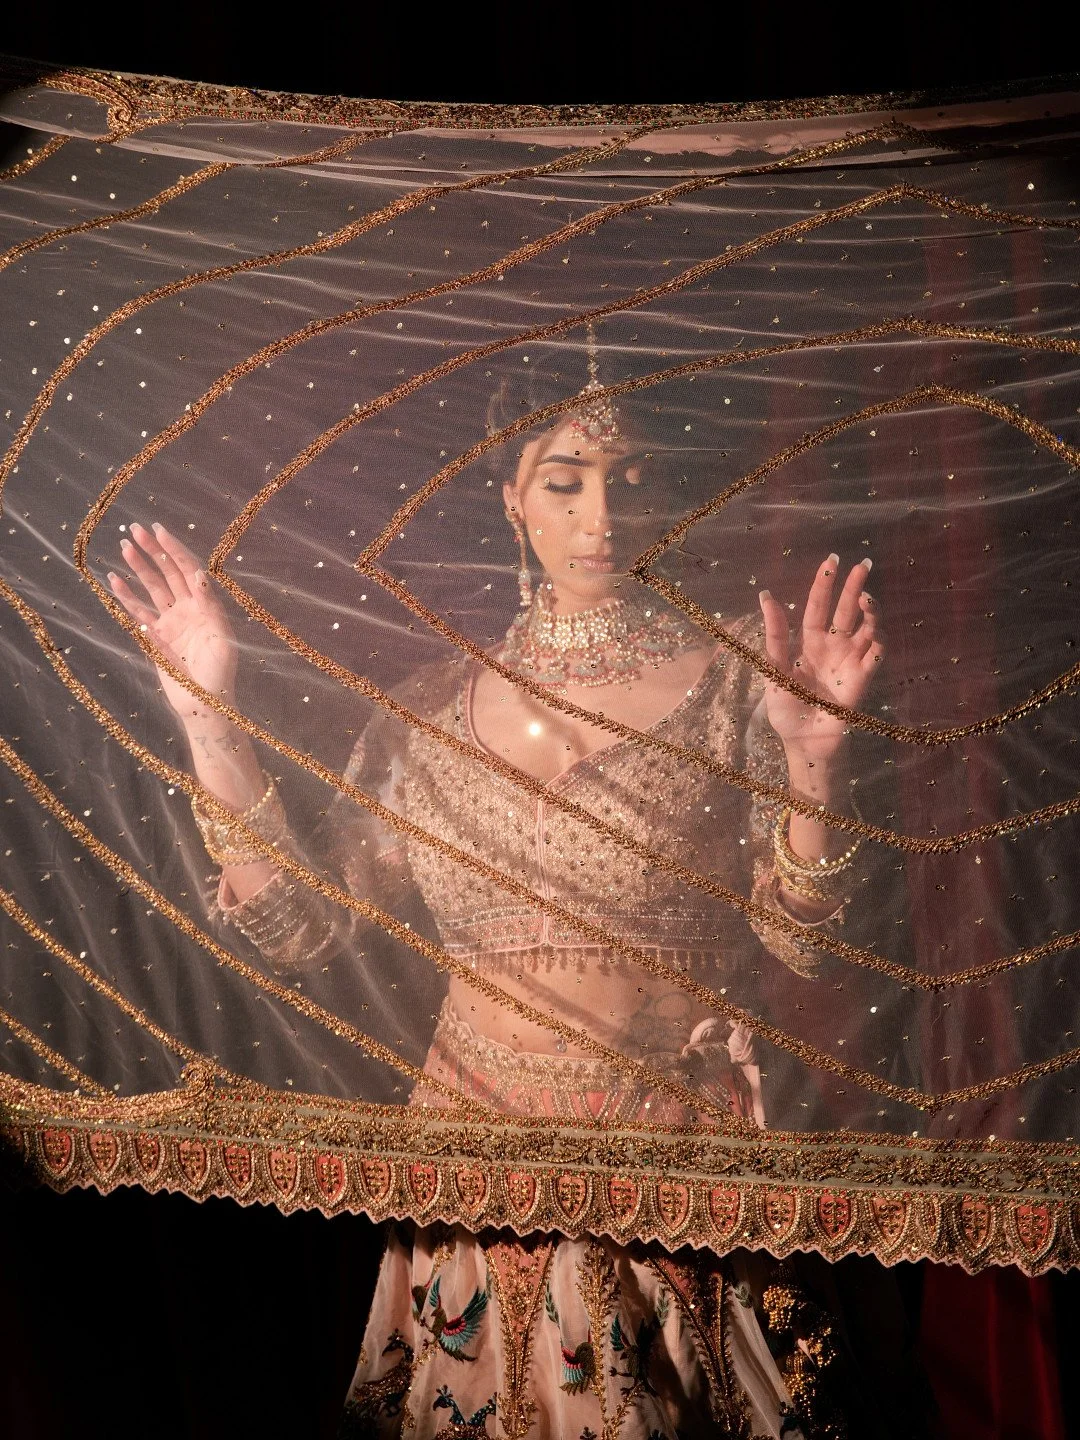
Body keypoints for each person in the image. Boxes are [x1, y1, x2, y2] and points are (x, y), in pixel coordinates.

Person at [108, 341, 884, 1439]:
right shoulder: (428, 715)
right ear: (513, 499)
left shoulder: (738, 690)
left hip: (675, 1166)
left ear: (670, 494)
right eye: (565, 483)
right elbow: (302, 926)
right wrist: (205, 714)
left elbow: (804, 944)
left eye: (631, 480)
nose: (599, 515)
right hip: (479, 1177)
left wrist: (814, 761)